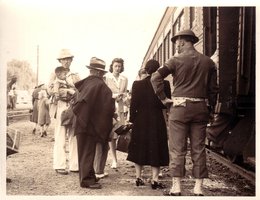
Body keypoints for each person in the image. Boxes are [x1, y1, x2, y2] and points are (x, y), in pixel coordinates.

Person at [151, 29, 218, 196]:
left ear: (182, 41)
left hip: (179, 109)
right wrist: (209, 108)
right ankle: (198, 188)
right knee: (198, 148)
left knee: (177, 148)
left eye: (176, 42)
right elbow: (213, 90)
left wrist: (164, 98)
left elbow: (155, 77)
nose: (176, 45)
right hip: (200, 108)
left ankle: (177, 186)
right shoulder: (209, 62)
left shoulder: (174, 60)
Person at [126, 59, 170, 189]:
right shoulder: (165, 84)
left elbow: (133, 105)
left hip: (140, 120)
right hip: (157, 120)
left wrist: (132, 120)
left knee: (139, 147)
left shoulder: (137, 84)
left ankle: (138, 178)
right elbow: (165, 104)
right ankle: (155, 180)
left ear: (146, 69)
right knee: (156, 147)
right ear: (158, 70)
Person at [72, 57, 115, 189]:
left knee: (85, 151)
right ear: (98, 72)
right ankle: (86, 180)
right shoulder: (99, 85)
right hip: (88, 124)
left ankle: (89, 176)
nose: (102, 75)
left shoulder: (86, 83)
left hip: (82, 121)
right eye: (102, 73)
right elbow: (106, 107)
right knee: (87, 152)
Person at [48, 49, 80, 175]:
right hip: (60, 105)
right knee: (60, 135)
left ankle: (74, 165)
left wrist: (73, 92)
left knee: (74, 136)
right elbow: (50, 90)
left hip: (73, 106)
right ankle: (59, 164)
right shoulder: (54, 74)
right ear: (60, 61)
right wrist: (65, 91)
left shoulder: (75, 75)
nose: (66, 61)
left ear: (71, 60)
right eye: (64, 59)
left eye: (68, 59)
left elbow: (81, 90)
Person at [105, 58, 128, 169]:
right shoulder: (107, 78)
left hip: (121, 108)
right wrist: (115, 96)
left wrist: (123, 96)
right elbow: (105, 93)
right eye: (116, 66)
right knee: (112, 135)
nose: (118, 68)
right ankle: (114, 159)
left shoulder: (124, 79)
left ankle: (122, 154)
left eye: (119, 66)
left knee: (121, 133)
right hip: (111, 108)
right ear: (112, 66)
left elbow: (124, 92)